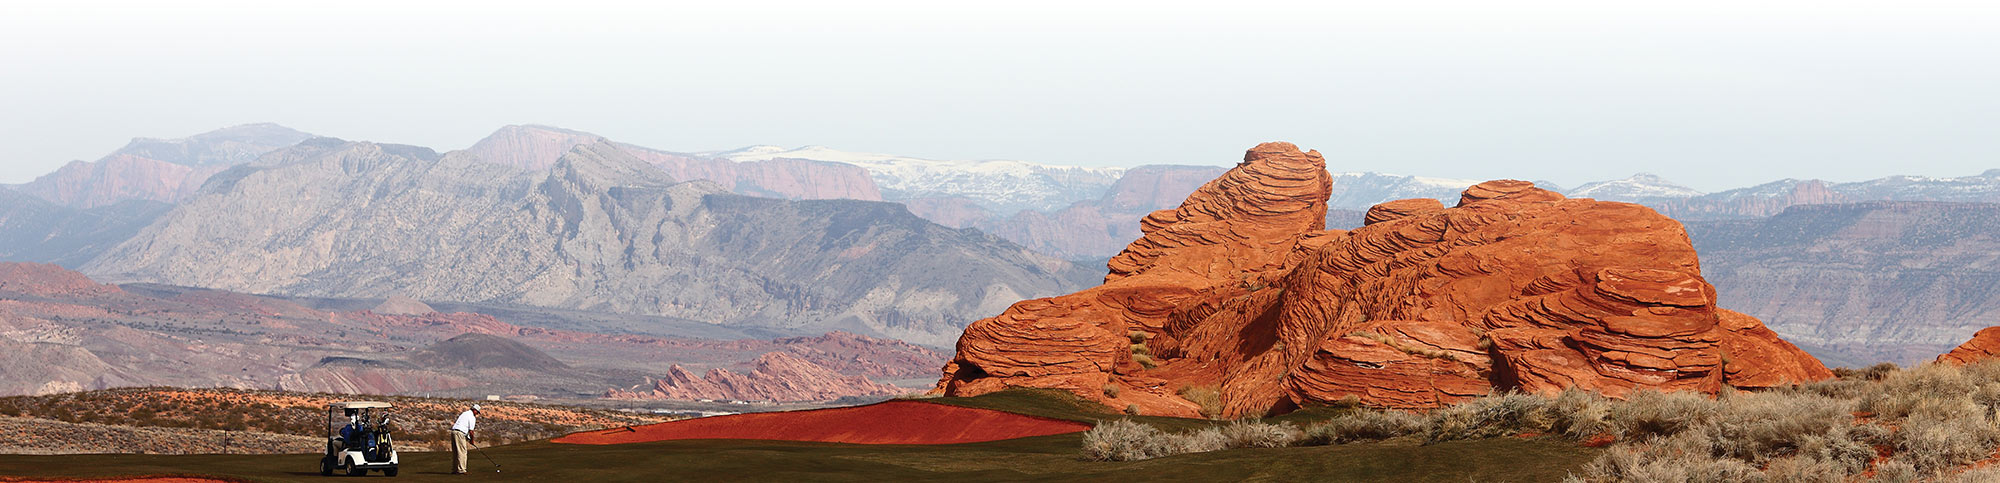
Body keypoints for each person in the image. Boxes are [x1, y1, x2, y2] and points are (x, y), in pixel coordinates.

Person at [450, 404, 480, 474]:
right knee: (462, 452)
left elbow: (463, 426)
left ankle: (455, 469)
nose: (477, 414)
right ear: (474, 410)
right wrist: (472, 440)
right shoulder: (472, 417)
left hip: (453, 432)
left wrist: (468, 438)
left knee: (456, 452)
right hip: (460, 433)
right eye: (477, 412)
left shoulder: (465, 413)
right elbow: (471, 431)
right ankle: (462, 470)